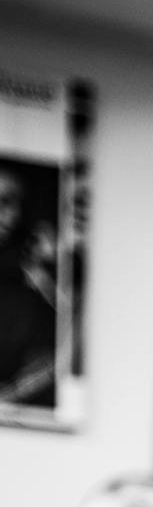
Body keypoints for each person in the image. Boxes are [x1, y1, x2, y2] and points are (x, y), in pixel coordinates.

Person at [0, 157, 58, 410]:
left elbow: (52, 360)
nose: (13, 215)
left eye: (17, 204)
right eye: (3, 202)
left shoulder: (27, 271)